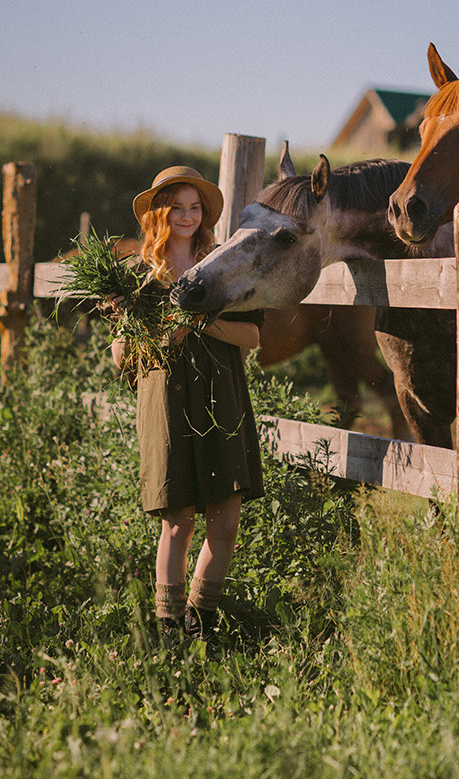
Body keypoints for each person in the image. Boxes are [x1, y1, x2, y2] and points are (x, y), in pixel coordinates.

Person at [111, 166, 264, 641]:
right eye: (176, 207)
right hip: (165, 401)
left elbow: (253, 336)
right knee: (178, 523)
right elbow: (121, 361)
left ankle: (200, 622)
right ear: (160, 212)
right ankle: (168, 629)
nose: (186, 215)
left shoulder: (222, 265)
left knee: (226, 520)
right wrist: (125, 323)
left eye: (194, 207)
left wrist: (198, 322)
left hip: (221, 394)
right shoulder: (138, 275)